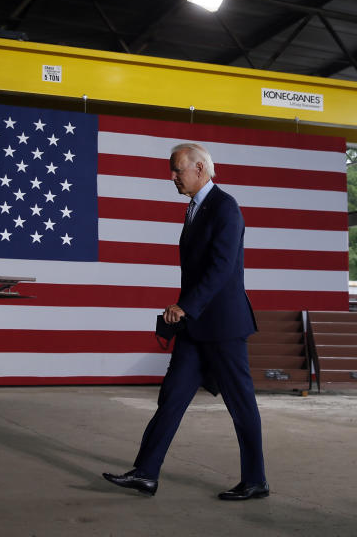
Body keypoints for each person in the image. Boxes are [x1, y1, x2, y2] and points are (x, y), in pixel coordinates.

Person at [103, 143, 268, 501]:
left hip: (223, 326)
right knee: (172, 398)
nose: (172, 176)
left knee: (241, 406)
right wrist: (187, 309)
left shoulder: (226, 208)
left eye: (177, 169)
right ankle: (146, 473)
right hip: (195, 327)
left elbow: (222, 269)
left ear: (200, 169)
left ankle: (256, 480)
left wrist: (185, 306)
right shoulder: (197, 208)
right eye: (172, 170)